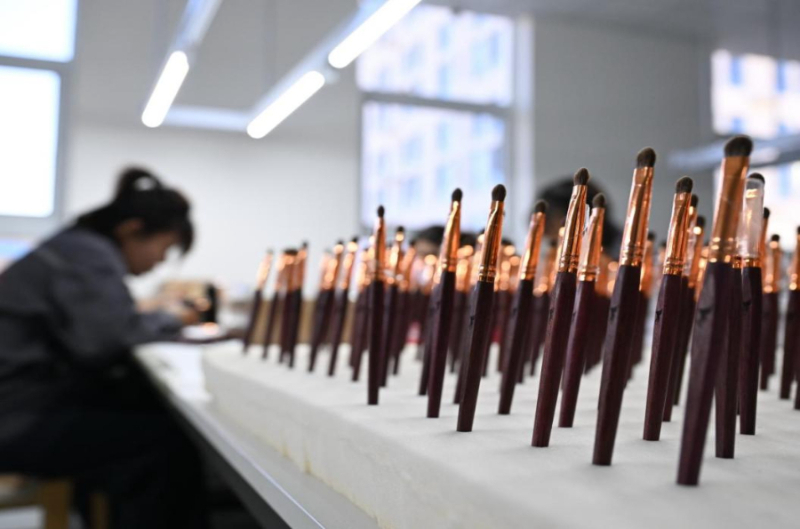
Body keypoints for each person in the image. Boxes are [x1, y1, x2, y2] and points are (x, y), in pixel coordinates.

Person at [0, 168, 208, 528]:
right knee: (167, 444)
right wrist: (172, 318)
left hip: (19, 406)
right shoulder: (88, 254)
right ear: (131, 230)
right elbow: (111, 338)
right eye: (163, 248)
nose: (160, 261)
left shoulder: (76, 247)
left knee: (134, 418)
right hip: (16, 420)